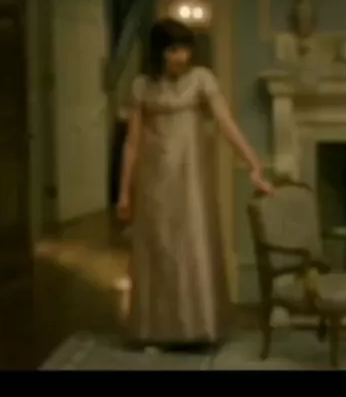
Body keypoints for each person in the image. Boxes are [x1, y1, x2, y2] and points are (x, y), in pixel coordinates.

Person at [117, 18, 272, 350]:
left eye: (185, 49)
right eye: (174, 50)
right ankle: (155, 330)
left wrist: (253, 162)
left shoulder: (202, 79)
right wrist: (124, 191)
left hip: (191, 178)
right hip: (154, 178)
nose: (182, 56)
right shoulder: (142, 86)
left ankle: (199, 327)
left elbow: (226, 122)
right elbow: (132, 143)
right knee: (158, 249)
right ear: (159, 52)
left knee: (193, 245)